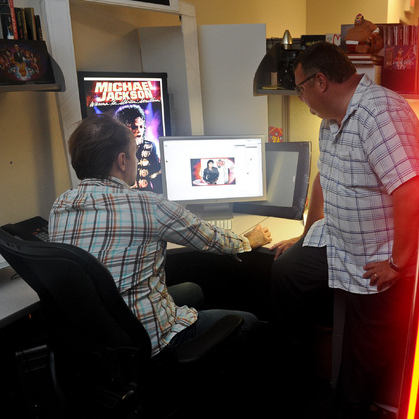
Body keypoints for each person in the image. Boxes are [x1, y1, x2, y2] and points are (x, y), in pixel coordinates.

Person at [269, 41, 419, 418]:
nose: (301, 97)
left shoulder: (380, 114)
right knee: (287, 272)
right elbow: (324, 178)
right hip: (337, 239)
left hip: (377, 253)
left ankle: (348, 410)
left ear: (320, 81)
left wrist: (398, 262)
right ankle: (298, 379)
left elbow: (411, 191)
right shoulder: (330, 121)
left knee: (363, 346)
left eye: (301, 88)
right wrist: (306, 235)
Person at [49, 114, 272, 361]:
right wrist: (247, 241)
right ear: (122, 161)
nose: (136, 160)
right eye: (134, 154)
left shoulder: (60, 206)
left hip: (95, 338)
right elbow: (209, 238)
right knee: (250, 322)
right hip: (150, 340)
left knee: (193, 290)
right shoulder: (148, 205)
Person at [114, 104, 162, 193]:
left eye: (141, 126)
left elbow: (156, 175)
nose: (139, 130)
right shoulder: (114, 149)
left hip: (148, 195)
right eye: (134, 127)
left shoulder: (150, 147)